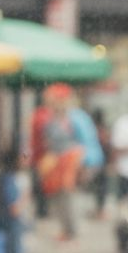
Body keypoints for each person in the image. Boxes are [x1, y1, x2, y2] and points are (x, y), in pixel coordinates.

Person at [37, 84, 85, 242]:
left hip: (65, 163)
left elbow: (78, 143)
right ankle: (67, 230)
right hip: (57, 164)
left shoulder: (72, 120)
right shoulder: (51, 120)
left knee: (65, 198)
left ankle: (71, 231)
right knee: (59, 198)